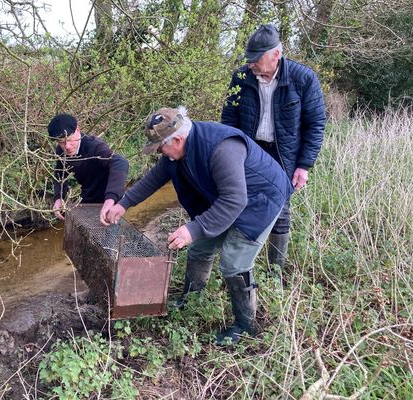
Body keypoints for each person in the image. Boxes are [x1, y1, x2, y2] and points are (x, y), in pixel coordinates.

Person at [103, 107, 293, 344]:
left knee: (233, 262)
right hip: (229, 197)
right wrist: (124, 204)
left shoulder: (222, 148)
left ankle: (246, 326)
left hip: (260, 200)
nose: (159, 153)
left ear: (178, 139)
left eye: (161, 147)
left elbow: (235, 200)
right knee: (200, 247)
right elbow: (155, 178)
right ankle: (191, 299)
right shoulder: (175, 152)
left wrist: (191, 229)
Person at [221, 24, 326, 271]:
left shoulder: (303, 79)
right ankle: (239, 267)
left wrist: (304, 165)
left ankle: (275, 272)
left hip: (284, 155)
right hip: (250, 152)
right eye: (248, 59)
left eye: (256, 59)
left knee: (281, 210)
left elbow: (315, 123)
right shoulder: (241, 78)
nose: (251, 65)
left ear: (276, 54)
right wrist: (230, 154)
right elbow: (229, 119)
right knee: (241, 203)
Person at [48, 113, 129, 222]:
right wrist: (58, 198)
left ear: (77, 130)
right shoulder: (61, 152)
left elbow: (120, 162)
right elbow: (60, 173)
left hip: (110, 199)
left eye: (70, 139)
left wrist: (110, 200)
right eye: (61, 142)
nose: (67, 146)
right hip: (87, 199)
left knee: (109, 236)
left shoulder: (94, 147)